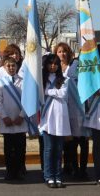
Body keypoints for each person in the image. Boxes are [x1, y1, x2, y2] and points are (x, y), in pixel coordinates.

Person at [55, 42, 88, 180]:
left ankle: (82, 170)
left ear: (69, 53)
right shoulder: (55, 69)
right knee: (69, 142)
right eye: (59, 51)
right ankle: (71, 167)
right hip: (62, 110)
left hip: (78, 109)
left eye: (65, 51)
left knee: (82, 140)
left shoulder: (75, 67)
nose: (62, 54)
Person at [0, 57, 29, 180]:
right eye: (8, 66)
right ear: (4, 67)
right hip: (7, 121)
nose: (11, 68)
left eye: (13, 65)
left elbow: (27, 101)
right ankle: (10, 171)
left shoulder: (23, 82)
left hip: (20, 120)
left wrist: (21, 116)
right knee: (8, 149)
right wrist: (4, 117)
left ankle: (19, 170)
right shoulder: (0, 82)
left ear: (17, 67)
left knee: (20, 148)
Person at [39, 54, 70, 188]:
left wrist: (49, 91)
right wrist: (51, 91)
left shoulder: (64, 79)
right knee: (49, 149)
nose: (53, 66)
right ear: (46, 65)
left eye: (56, 63)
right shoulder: (42, 79)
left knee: (58, 149)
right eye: (50, 63)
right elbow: (41, 92)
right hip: (48, 117)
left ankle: (58, 176)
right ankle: (48, 176)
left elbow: (63, 94)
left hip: (61, 117)